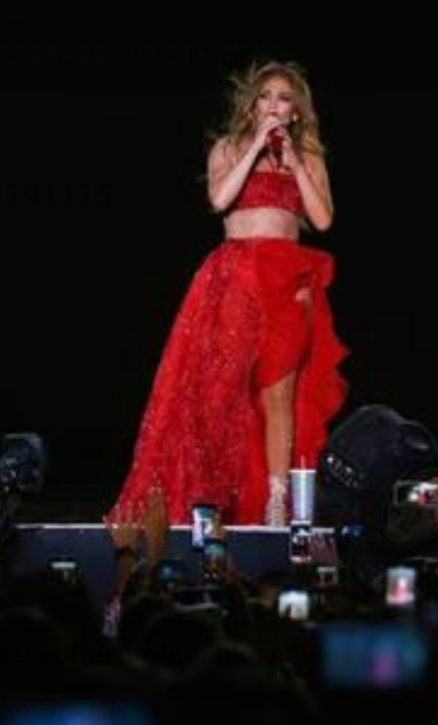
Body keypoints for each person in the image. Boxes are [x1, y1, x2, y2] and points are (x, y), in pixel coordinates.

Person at [108, 60, 348, 527]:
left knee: (279, 396)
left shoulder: (308, 158)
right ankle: (211, 502)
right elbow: (219, 200)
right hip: (234, 280)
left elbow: (322, 221)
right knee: (219, 393)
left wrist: (294, 160)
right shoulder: (228, 148)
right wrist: (257, 145)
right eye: (265, 96)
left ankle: (278, 503)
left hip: (286, 280)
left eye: (283, 98)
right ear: (252, 104)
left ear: (296, 111)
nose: (273, 105)